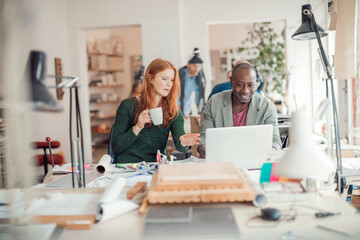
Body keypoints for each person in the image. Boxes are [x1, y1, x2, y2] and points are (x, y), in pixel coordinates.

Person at [111, 58, 200, 163]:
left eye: (171, 80)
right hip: (128, 166)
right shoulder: (128, 105)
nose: (169, 84)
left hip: (154, 166)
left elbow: (181, 146)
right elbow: (116, 147)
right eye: (164, 79)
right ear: (151, 79)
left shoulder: (173, 111)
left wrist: (184, 142)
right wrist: (137, 127)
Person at [197, 62, 281, 158]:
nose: (245, 90)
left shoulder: (266, 107)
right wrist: (202, 148)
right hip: (222, 161)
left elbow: (275, 141)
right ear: (231, 82)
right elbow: (203, 137)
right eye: (240, 85)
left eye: (250, 85)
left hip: (255, 162)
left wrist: (271, 152)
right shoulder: (214, 102)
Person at [179, 48, 206, 117]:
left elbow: (199, 98)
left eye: (198, 66)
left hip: (186, 112)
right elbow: (175, 96)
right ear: (188, 65)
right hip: (177, 111)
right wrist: (179, 112)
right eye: (194, 66)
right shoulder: (179, 75)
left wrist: (200, 114)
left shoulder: (198, 79)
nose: (197, 69)